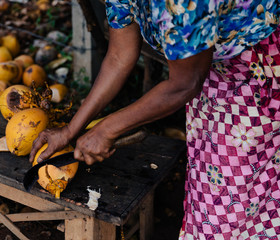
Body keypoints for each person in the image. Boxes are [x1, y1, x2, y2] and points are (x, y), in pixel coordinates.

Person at [30, 0, 280, 239]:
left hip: (260, 69)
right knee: (215, 186)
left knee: (230, 205)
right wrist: (70, 130)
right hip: (211, 69)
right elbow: (120, 55)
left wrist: (107, 129)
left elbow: (185, 83)